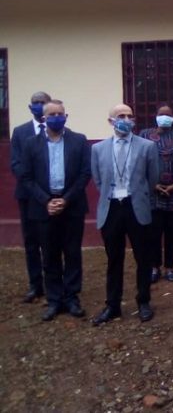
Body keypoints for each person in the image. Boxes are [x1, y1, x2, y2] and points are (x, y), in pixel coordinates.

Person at [20, 100, 91, 321]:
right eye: (52, 114)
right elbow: (26, 177)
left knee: (72, 253)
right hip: (43, 208)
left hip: (72, 206)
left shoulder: (78, 141)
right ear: (43, 117)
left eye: (61, 113)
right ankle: (54, 299)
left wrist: (66, 200)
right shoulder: (31, 144)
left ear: (66, 116)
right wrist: (46, 201)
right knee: (49, 255)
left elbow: (84, 174)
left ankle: (71, 297)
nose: (57, 117)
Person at [91, 104, 159, 325]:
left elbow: (153, 178)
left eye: (130, 116)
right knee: (114, 259)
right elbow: (98, 179)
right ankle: (112, 305)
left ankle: (144, 301)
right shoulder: (98, 149)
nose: (127, 119)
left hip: (136, 206)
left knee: (143, 257)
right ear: (111, 121)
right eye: (121, 116)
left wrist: (137, 195)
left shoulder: (147, 146)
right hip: (111, 208)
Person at [10, 91, 51, 303]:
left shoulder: (56, 130)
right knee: (31, 241)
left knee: (51, 241)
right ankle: (35, 285)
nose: (38, 105)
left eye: (42, 102)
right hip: (28, 196)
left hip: (51, 197)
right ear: (30, 106)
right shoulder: (20, 132)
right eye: (35, 103)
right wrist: (34, 188)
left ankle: (53, 281)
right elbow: (16, 164)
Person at [140, 104, 173, 283]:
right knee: (153, 232)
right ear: (155, 115)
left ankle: (169, 267)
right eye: (161, 114)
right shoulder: (144, 135)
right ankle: (154, 266)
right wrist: (153, 184)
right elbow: (140, 161)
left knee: (171, 232)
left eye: (168, 114)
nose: (164, 117)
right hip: (153, 192)